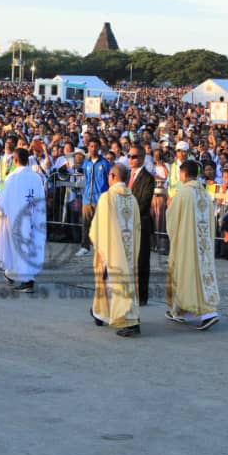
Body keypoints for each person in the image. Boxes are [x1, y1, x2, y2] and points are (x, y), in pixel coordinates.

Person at [165, 160, 220, 331]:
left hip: (186, 244)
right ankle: (180, 312)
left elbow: (172, 220)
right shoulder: (204, 193)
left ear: (183, 174)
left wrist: (169, 208)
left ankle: (206, 314)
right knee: (200, 277)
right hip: (204, 246)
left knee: (187, 277)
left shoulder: (183, 193)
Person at [89, 163, 142, 337]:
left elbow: (98, 226)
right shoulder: (132, 199)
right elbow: (136, 227)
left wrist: (97, 241)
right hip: (128, 249)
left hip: (112, 249)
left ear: (112, 176)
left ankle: (129, 319)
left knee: (113, 283)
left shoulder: (107, 198)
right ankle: (100, 313)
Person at [0, 147, 46, 293]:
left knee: (17, 248)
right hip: (33, 218)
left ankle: (27, 281)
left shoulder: (12, 177)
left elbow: (1, 201)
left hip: (15, 219)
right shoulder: (36, 177)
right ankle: (12, 274)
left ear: (15, 160)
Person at [126, 145, 155, 306]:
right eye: (129, 156)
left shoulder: (148, 178)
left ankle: (142, 296)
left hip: (140, 224)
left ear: (142, 158)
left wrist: (127, 213)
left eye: (134, 156)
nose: (131, 159)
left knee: (142, 260)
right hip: (126, 225)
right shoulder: (125, 175)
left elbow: (144, 202)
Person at [77, 140, 110, 258]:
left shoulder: (105, 163)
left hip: (100, 199)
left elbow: (109, 180)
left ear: (99, 147)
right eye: (91, 146)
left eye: (95, 146)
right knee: (86, 224)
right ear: (88, 147)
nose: (93, 149)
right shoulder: (86, 163)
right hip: (87, 198)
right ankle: (84, 247)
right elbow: (85, 178)